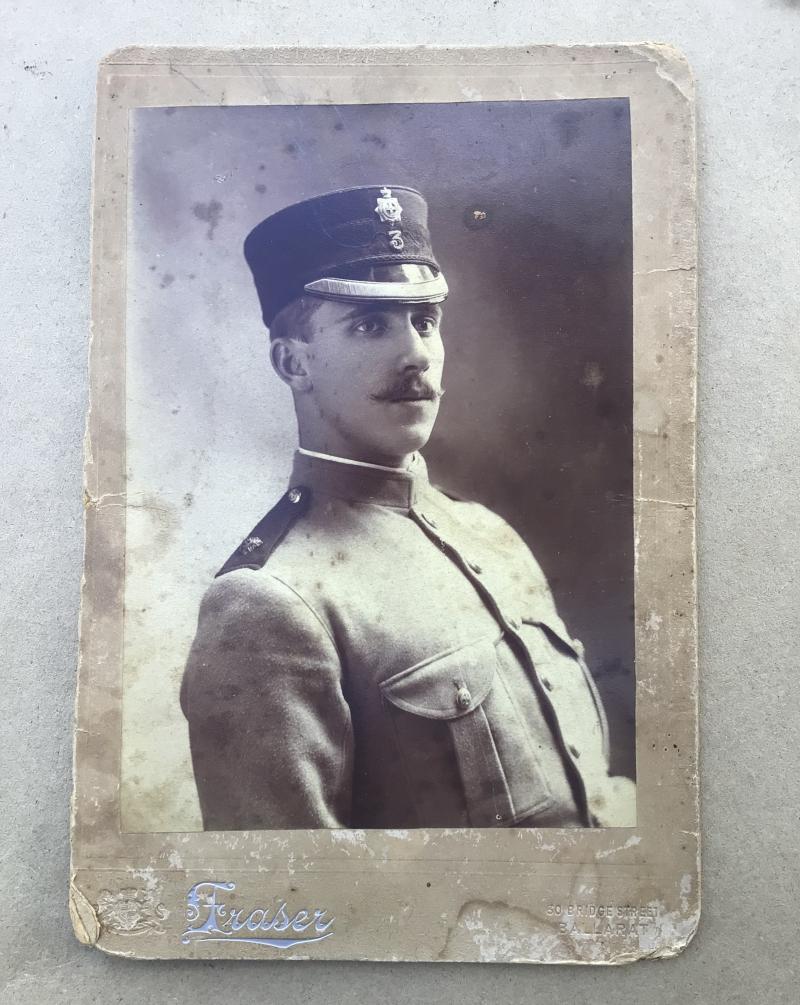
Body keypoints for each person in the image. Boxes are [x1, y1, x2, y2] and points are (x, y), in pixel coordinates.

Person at [180, 184, 634, 830]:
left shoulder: (488, 534)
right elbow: (300, 901)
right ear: (292, 362)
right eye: (369, 325)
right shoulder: (270, 604)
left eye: (425, 320)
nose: (416, 353)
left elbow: (593, 793)